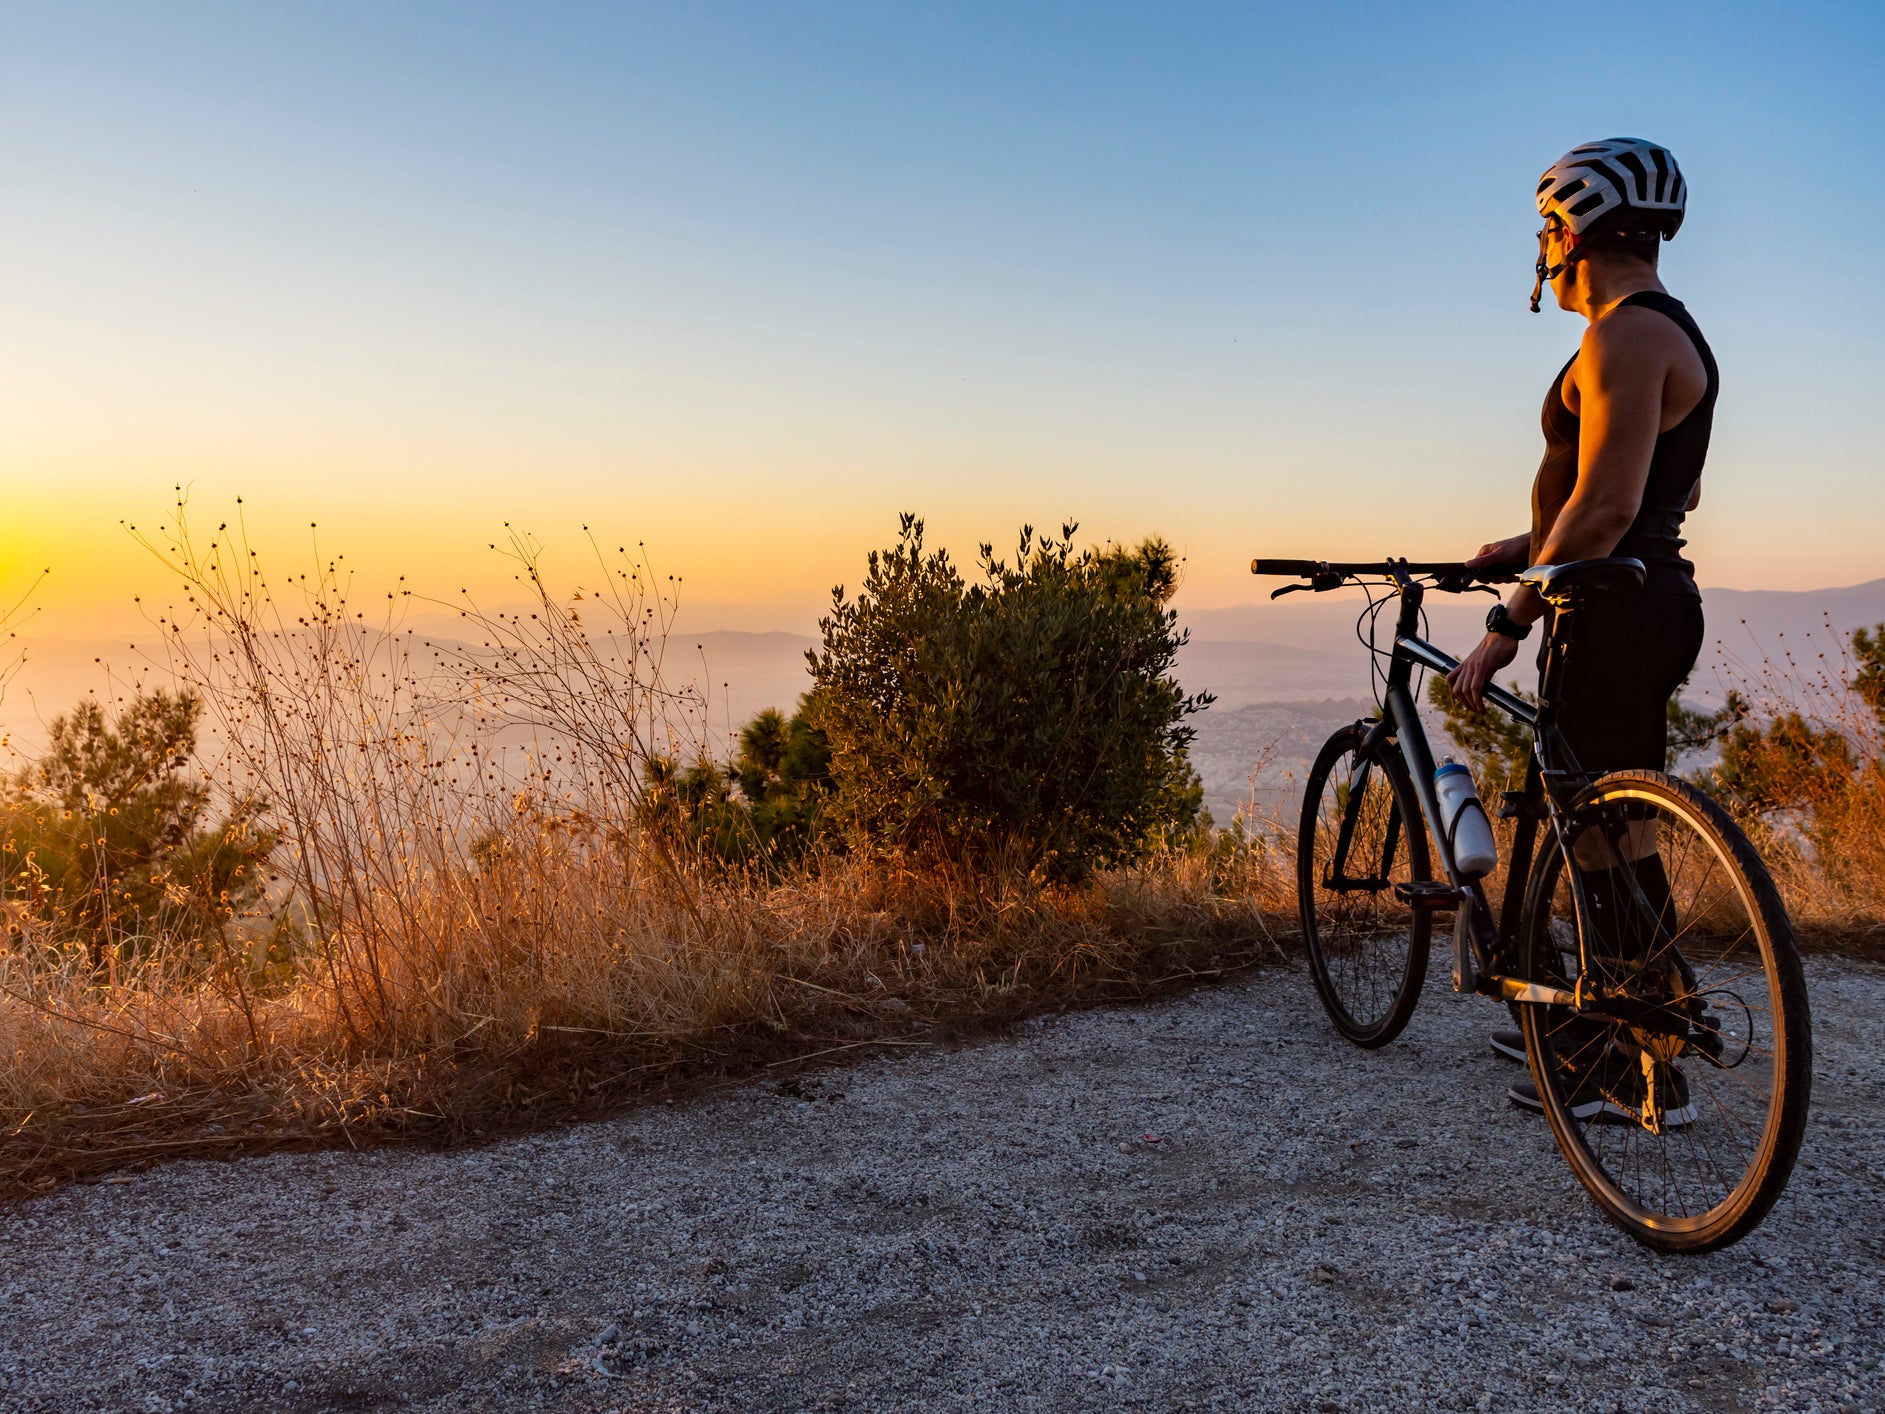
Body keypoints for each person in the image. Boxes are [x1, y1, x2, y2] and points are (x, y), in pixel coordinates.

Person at [1444, 138, 1716, 1123]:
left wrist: (1506, 621)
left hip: (1603, 608)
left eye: (1546, 232)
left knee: (1599, 845)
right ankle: (1641, 1035)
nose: (1540, 254)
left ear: (1576, 232)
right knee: (1617, 835)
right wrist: (1522, 542)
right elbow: (1647, 494)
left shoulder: (1622, 336)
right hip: (1647, 599)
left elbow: (1603, 509)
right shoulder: (1666, 333)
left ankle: (1639, 1067)